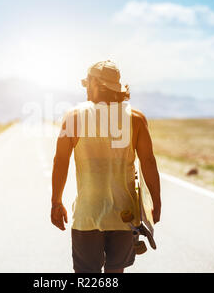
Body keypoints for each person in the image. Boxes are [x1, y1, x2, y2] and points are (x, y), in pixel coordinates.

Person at [51, 60, 161, 273]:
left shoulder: (73, 117)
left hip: (87, 215)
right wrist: (156, 202)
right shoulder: (136, 119)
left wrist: (56, 201)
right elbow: (148, 162)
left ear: (94, 83)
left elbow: (61, 160)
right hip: (125, 217)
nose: (86, 89)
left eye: (88, 83)